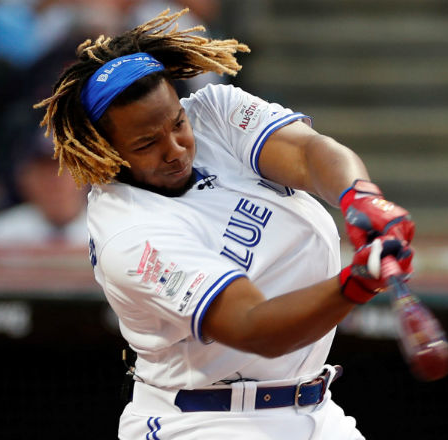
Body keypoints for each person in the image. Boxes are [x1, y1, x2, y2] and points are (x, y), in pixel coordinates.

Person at [34, 9, 414, 440]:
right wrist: (358, 281)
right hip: (203, 421)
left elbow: (309, 153)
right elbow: (253, 325)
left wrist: (360, 197)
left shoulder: (214, 111)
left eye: (176, 123)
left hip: (315, 409)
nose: (175, 149)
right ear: (104, 150)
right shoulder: (128, 232)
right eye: (146, 143)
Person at [0, 130, 88, 246]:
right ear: (23, 178)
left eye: (65, 168)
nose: (55, 179)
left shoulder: (105, 233)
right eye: (44, 171)